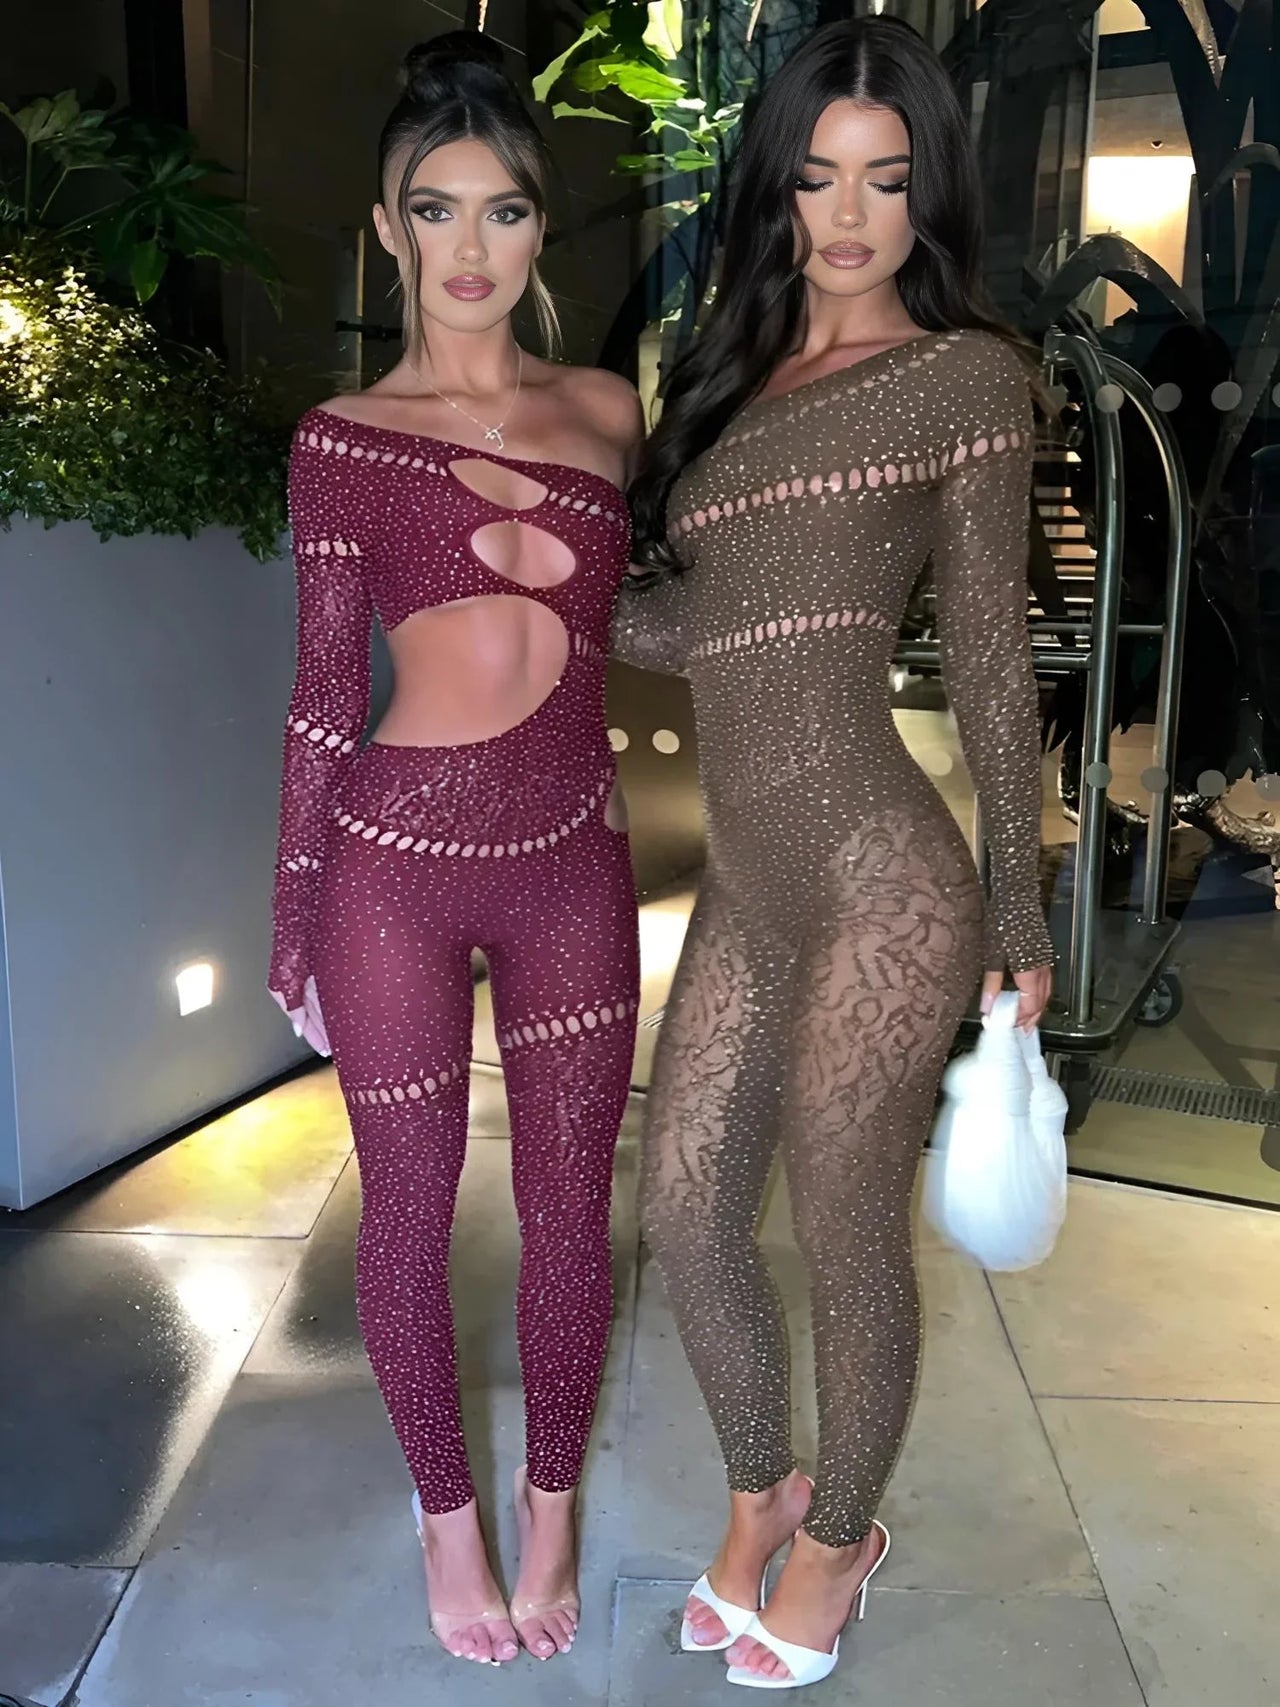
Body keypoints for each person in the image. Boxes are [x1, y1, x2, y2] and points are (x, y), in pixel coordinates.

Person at [615, 16, 1054, 1691]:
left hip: (888, 878)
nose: (850, 215)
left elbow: (1000, 663)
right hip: (751, 879)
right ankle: (760, 1496)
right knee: (691, 1206)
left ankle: (843, 1534)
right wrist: (553, 585)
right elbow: (707, 633)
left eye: (885, 178)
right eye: (817, 178)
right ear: (778, 188)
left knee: (848, 1217)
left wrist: (1020, 907)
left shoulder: (964, 378)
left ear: (926, 190)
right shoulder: (729, 381)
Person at [268, 32, 643, 1668]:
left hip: (574, 857)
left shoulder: (613, 410)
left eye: (502, 213)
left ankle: (552, 1504)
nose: (471, 249)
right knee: (408, 1216)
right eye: (439, 212)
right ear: (388, 228)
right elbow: (314, 701)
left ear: (537, 230)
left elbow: (654, 615)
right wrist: (291, 917)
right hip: (389, 877)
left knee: (574, 1214)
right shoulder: (342, 438)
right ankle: (447, 1517)